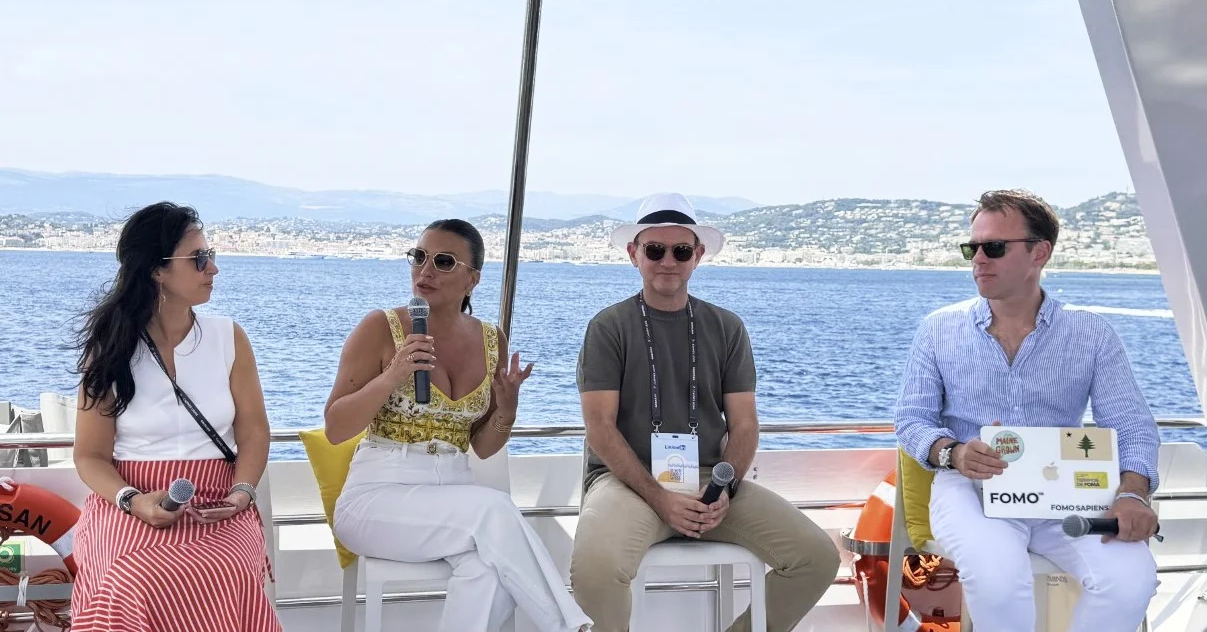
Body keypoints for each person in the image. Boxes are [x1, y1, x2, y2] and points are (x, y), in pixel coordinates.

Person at [570, 193, 840, 632]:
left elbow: (745, 424)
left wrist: (725, 488)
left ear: (697, 256)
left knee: (816, 557)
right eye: (654, 249)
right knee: (595, 570)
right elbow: (599, 427)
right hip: (627, 482)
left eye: (680, 251)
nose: (667, 261)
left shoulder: (726, 327)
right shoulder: (609, 326)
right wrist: (660, 499)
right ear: (633, 254)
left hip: (710, 482)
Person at [894, 189, 1160, 632]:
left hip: (1066, 494)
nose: (978, 259)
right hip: (969, 490)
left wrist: (1132, 494)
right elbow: (912, 420)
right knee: (998, 579)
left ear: (1040, 252)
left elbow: (1131, 424)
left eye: (994, 247)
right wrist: (953, 453)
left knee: (1130, 580)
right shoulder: (938, 329)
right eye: (971, 248)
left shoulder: (1092, 334)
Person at [324, 218, 592, 632]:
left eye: (444, 261)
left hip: (454, 495)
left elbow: (483, 446)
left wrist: (507, 408)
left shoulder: (491, 340)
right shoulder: (380, 328)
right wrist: (392, 376)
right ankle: (570, 627)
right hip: (376, 498)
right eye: (419, 257)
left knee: (489, 573)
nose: (425, 270)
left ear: (473, 279)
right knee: (494, 509)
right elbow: (336, 427)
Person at [71, 201, 279, 632]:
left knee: (228, 572)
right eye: (199, 259)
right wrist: (133, 501)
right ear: (157, 270)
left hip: (220, 503)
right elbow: (89, 456)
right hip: (128, 501)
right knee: (133, 579)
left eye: (212, 255)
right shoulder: (110, 348)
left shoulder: (228, 337)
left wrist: (241, 493)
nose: (213, 269)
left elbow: (255, 432)